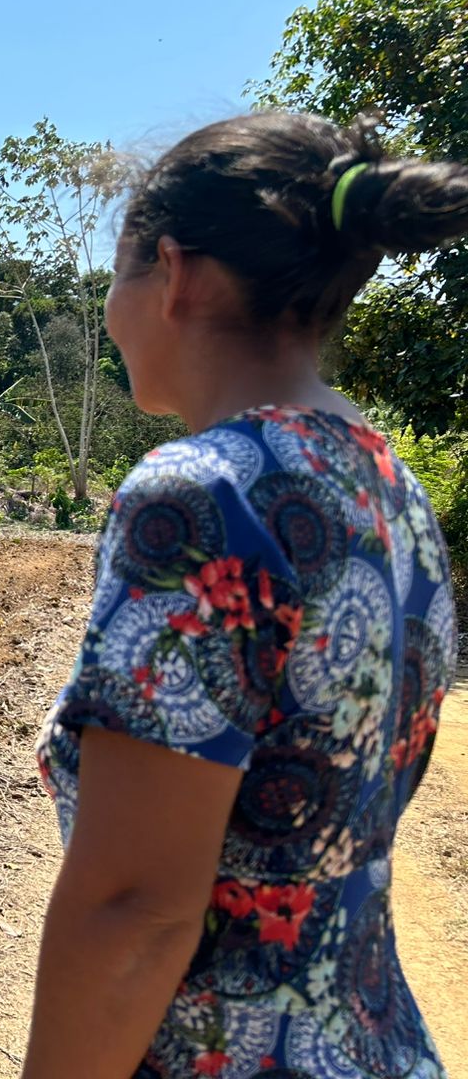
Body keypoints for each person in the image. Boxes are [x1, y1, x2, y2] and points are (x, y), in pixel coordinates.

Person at [26, 112, 468, 1079]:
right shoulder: (390, 486)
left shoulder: (200, 498)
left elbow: (134, 911)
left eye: (117, 272)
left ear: (175, 274)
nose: (110, 307)